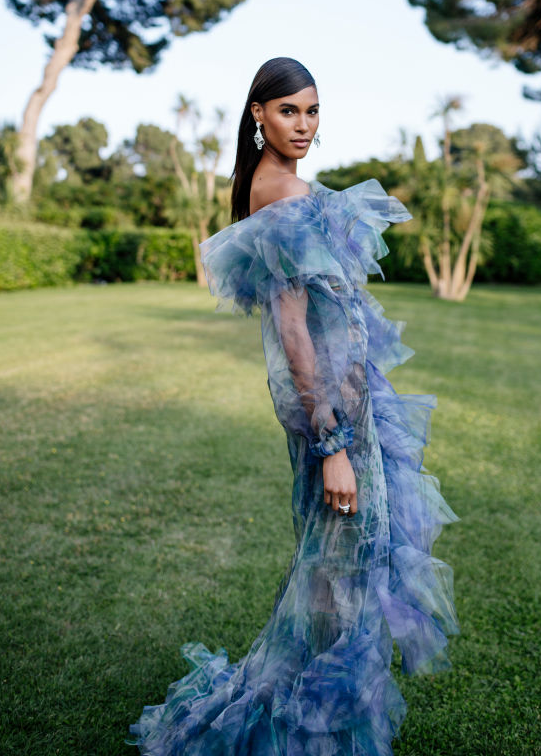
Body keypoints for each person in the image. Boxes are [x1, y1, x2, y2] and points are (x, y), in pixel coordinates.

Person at [128, 57, 460, 755]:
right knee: (338, 569)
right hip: (328, 420)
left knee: (341, 566)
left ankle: (319, 712)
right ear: (257, 114)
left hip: (346, 408)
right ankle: (299, 721)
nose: (303, 125)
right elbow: (291, 331)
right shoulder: (278, 195)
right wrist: (331, 446)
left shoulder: (283, 187)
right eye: (288, 111)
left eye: (311, 110)